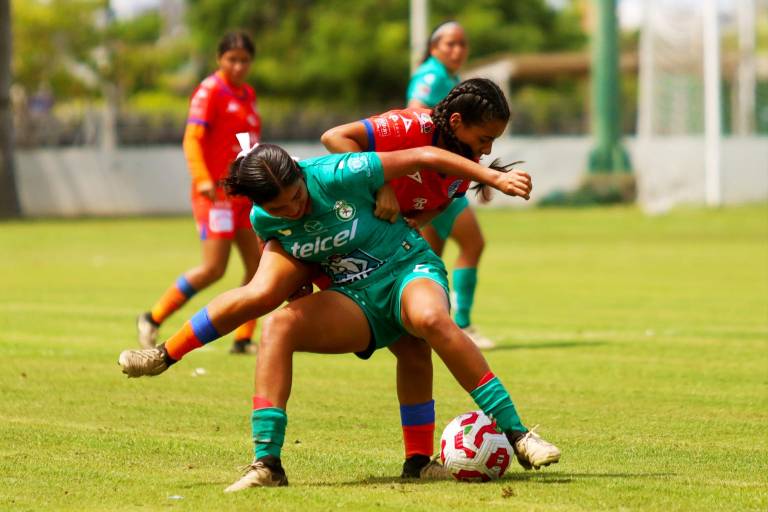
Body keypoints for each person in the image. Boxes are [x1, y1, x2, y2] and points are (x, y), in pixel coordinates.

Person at [120, 141, 559, 490]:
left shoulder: (338, 173)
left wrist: (492, 177)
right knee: (277, 323)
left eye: (296, 197)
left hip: (406, 268)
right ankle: (265, 461)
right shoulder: (265, 220)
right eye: (279, 208)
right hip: (353, 298)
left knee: (427, 324)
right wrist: (296, 283)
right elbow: (269, 269)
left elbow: (424, 156)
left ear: (300, 175)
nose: (292, 210)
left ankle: (516, 435)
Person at [136, 32, 262, 355]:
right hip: (215, 194)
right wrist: (203, 179)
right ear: (219, 59)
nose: (238, 66)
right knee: (213, 269)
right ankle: (152, 318)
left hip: (242, 195)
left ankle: (243, 338)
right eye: (231, 59)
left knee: (259, 266)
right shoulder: (210, 91)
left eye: (244, 60)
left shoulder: (247, 94)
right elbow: (192, 138)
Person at [406, 21, 495, 349]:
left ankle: (427, 326)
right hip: (437, 178)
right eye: (450, 44)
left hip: (435, 179)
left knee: (430, 257)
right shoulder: (432, 76)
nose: (457, 50)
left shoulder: (450, 78)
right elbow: (416, 111)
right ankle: (462, 324)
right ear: (434, 48)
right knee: (473, 244)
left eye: (462, 44)